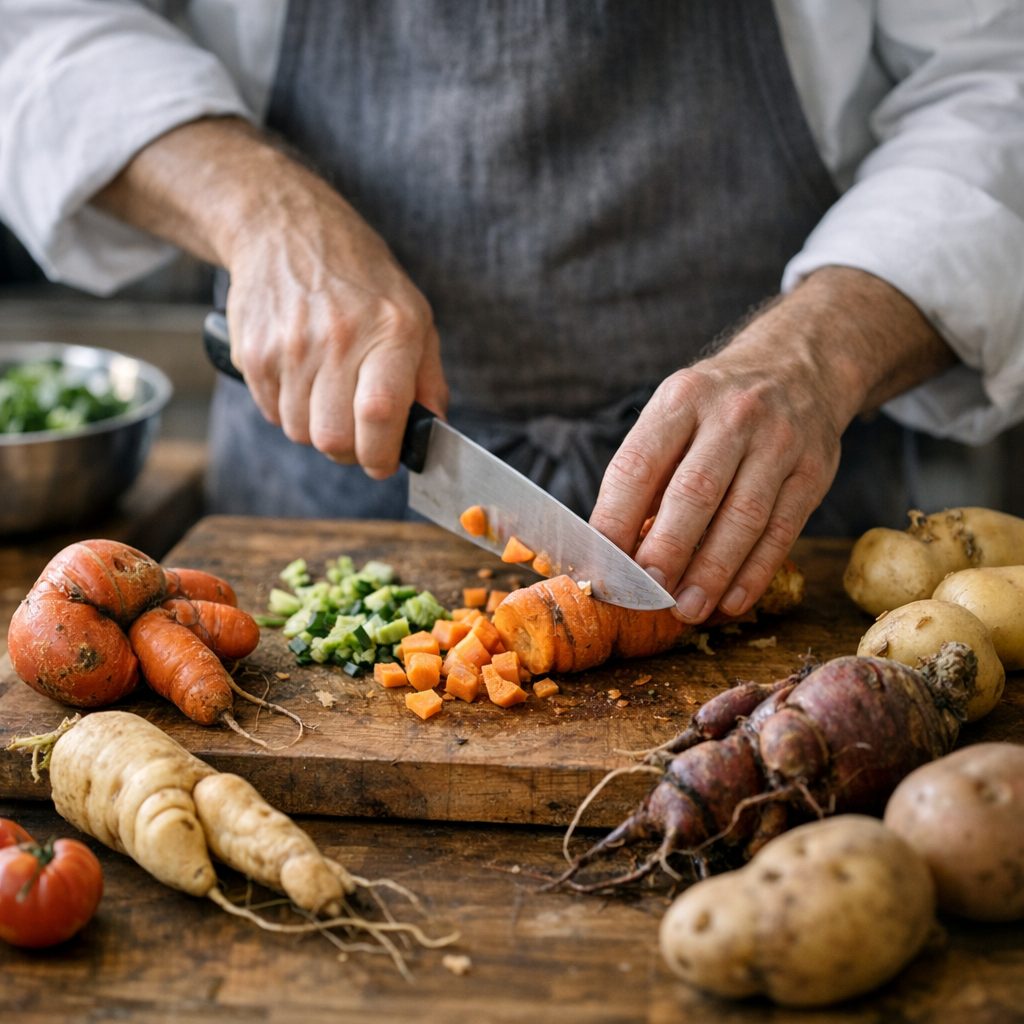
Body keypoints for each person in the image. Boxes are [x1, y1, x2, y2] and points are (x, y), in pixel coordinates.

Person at [1, 1, 1022, 626]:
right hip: (323, 483)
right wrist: (260, 210)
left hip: (778, 513)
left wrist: (820, 349)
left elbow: (993, 79)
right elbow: (37, 25)